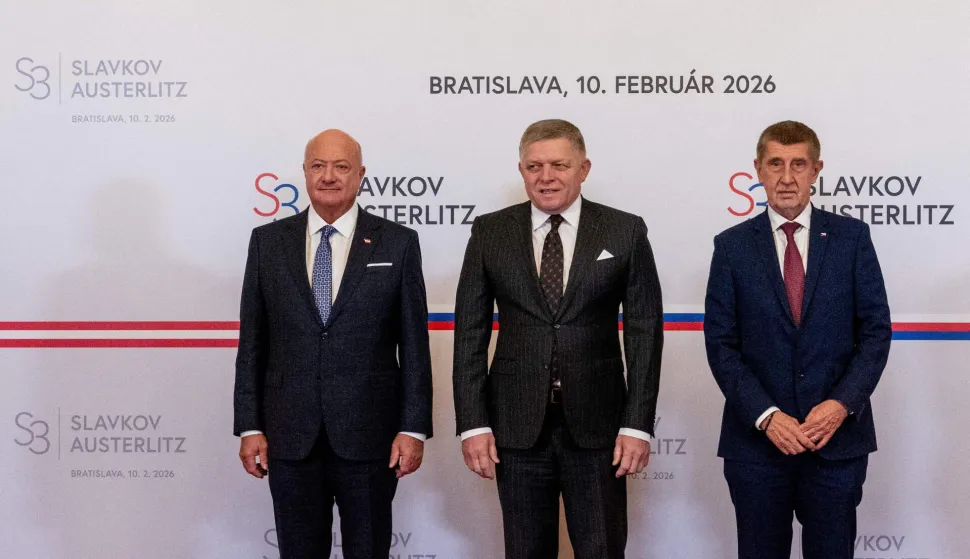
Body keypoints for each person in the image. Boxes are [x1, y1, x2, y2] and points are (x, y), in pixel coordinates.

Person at [452, 118, 664, 558]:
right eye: (534, 166)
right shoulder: (490, 232)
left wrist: (637, 425)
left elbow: (644, 334)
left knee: (602, 550)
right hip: (516, 429)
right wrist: (473, 423)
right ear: (521, 170)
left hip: (600, 430)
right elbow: (469, 333)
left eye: (558, 165)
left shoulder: (625, 231)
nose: (546, 176)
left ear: (583, 168)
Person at [233, 129, 433, 559]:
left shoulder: (397, 242)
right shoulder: (267, 243)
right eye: (318, 166)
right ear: (304, 172)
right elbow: (252, 341)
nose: (329, 176)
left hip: (370, 436)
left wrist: (412, 427)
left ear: (360, 175)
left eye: (341, 166)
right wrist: (250, 426)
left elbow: (415, 344)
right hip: (289, 436)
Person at [704, 120, 892, 559]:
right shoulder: (731, 247)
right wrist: (768, 416)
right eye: (775, 164)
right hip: (756, 446)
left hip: (836, 441)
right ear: (758, 169)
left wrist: (841, 405)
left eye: (798, 164)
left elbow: (876, 332)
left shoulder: (852, 239)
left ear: (816, 170)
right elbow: (721, 345)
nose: (786, 177)